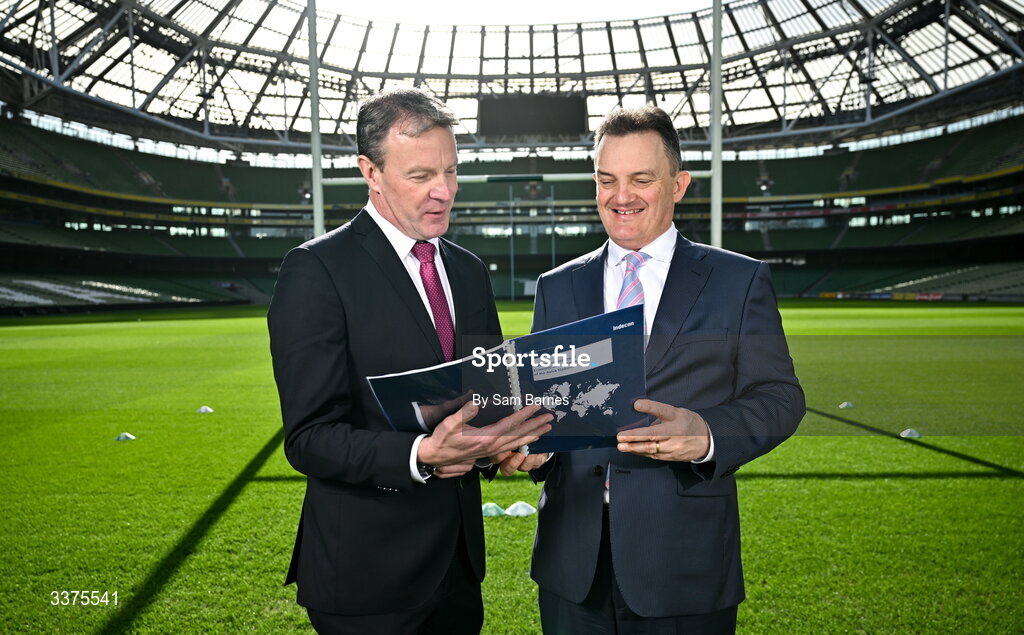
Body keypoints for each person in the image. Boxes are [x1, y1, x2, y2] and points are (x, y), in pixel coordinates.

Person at [500, 106, 805, 633]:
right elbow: (545, 403)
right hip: (572, 566)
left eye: (642, 179)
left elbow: (779, 397)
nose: (622, 197)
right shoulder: (558, 286)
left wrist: (708, 432)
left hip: (683, 562)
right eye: (607, 180)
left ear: (679, 184)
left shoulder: (739, 280)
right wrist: (526, 444)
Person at [268, 88, 552, 635]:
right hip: (367, 576)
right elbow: (310, 437)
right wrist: (421, 453)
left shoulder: (469, 272)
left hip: (458, 569)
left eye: (450, 170)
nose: (443, 191)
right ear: (369, 171)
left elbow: (481, 404)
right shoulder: (316, 270)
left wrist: (508, 445)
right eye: (420, 175)